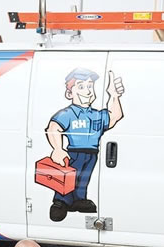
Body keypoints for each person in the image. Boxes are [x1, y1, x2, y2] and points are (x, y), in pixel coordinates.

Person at [45, 67, 124, 222]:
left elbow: (115, 116)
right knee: (67, 178)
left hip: (92, 153)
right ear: (70, 93)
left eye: (90, 86)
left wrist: (114, 95)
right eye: (81, 87)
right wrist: (58, 149)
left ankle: (79, 199)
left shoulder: (96, 114)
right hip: (74, 152)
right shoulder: (69, 113)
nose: (87, 91)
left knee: (83, 179)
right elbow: (53, 128)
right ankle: (60, 202)